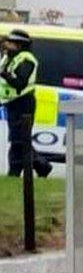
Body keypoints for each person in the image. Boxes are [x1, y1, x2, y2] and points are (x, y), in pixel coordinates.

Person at [0, 30, 52, 178]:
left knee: (19, 140)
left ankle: (17, 172)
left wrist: (5, 74)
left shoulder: (27, 60)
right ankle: (41, 166)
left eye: (10, 42)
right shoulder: (9, 58)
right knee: (19, 139)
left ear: (19, 45)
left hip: (24, 103)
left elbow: (20, 83)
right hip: (12, 103)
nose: (7, 44)